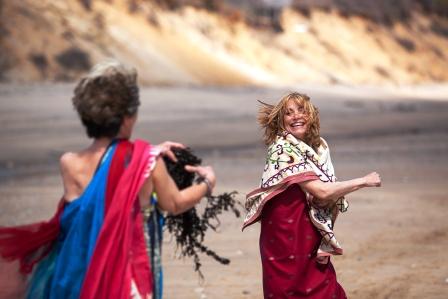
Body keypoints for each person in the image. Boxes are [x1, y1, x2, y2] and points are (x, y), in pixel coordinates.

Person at [0, 61, 216, 299]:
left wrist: (148, 153)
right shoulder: (148, 163)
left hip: (79, 273)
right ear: (127, 118)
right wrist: (206, 184)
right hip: (127, 277)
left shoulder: (69, 163)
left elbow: (108, 173)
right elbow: (174, 203)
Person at [242, 92, 381, 298]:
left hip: (308, 230)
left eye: (301, 110)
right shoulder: (281, 149)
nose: (296, 116)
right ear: (281, 122)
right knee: (290, 290)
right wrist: (363, 181)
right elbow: (321, 191)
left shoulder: (318, 147)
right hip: (284, 236)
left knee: (324, 287)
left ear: (311, 115)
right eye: (288, 113)